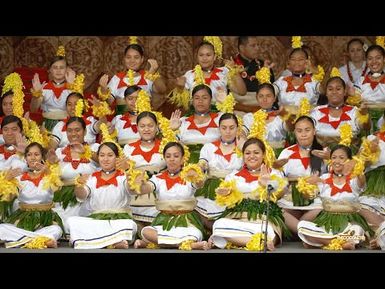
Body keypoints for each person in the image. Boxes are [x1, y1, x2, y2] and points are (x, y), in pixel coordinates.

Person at [209, 138, 289, 251]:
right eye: (247, 153)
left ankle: (236, 240)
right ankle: (259, 241)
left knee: (268, 230)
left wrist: (267, 184)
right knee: (218, 224)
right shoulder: (233, 176)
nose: (252, 156)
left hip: (262, 219)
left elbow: (280, 192)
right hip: (237, 219)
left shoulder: (274, 173)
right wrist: (226, 195)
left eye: (256, 152)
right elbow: (225, 199)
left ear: (263, 154)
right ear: (243, 155)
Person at [133, 142, 210, 250]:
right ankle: (184, 245)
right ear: (164, 158)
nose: (172, 159)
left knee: (194, 234)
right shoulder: (158, 178)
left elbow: (199, 183)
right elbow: (146, 188)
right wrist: (140, 183)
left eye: (176, 156)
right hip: (164, 221)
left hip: (187, 222)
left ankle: (155, 244)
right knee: (146, 232)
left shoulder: (189, 175)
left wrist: (196, 176)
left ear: (183, 158)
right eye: (168, 156)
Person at [298, 145, 371, 250]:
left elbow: (362, 180)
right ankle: (338, 242)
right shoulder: (323, 178)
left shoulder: (355, 178)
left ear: (349, 160)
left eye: (342, 158)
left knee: (357, 229)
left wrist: (356, 165)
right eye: (334, 157)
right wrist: (306, 186)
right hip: (326, 221)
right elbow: (309, 195)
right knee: (302, 226)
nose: (337, 161)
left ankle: (319, 242)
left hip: (349, 221)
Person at [67, 142, 138, 249]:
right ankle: (114, 241)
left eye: (110, 155)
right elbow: (82, 196)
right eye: (102, 155)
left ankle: (88, 240)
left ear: (117, 158)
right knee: (71, 221)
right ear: (98, 158)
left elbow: (132, 189)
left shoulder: (124, 176)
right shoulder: (91, 177)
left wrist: (128, 171)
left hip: (119, 221)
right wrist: (79, 185)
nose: (105, 159)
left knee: (129, 225)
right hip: (96, 221)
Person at [0, 142, 63, 249]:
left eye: (36, 154)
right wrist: (6, 180)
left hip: (45, 220)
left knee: (57, 230)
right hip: (23, 219)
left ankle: (22, 240)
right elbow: (8, 198)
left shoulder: (51, 176)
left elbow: (58, 189)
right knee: (1, 228)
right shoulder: (19, 179)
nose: (32, 158)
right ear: (25, 158)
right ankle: (41, 240)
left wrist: (48, 172)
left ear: (43, 157)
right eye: (29, 155)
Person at [275, 116, 329, 235]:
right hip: (290, 200)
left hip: (315, 200)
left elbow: (335, 175)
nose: (303, 134)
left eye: (307, 130)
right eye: (299, 131)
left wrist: (329, 161)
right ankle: (306, 233)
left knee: (323, 209)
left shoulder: (324, 152)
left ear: (314, 131)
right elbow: (277, 177)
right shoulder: (287, 152)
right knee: (278, 211)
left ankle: (297, 229)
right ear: (294, 132)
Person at [51, 117, 100, 235]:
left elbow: (105, 162)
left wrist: (86, 152)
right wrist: (51, 164)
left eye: (77, 130)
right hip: (64, 198)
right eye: (70, 130)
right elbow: (52, 178)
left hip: (89, 197)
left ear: (85, 131)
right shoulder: (59, 152)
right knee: (62, 224)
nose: (73, 134)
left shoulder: (95, 148)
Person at [194, 113, 243, 227]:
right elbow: (202, 163)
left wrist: (243, 147)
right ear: (219, 129)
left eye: (232, 128)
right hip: (212, 190)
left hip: (235, 190)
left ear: (237, 129)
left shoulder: (243, 148)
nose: (228, 131)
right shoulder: (209, 147)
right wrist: (198, 169)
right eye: (224, 128)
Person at [98, 43, 167, 114]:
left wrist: (154, 73)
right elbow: (109, 102)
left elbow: (162, 90)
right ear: (124, 59)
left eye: (136, 57)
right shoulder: (117, 78)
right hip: (122, 120)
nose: (132, 61)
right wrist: (103, 89)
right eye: (128, 57)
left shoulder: (148, 75)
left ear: (142, 59)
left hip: (144, 120)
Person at [173, 38, 246, 106]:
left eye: (208, 55)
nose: (204, 58)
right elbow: (181, 102)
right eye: (201, 55)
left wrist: (234, 71)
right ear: (197, 57)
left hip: (220, 116)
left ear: (214, 57)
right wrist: (180, 87)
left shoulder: (224, 72)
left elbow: (242, 92)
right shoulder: (190, 75)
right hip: (198, 116)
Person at [122, 111, 166, 224]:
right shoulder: (128, 148)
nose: (146, 129)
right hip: (135, 196)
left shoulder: (165, 146)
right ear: (137, 128)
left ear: (157, 127)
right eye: (142, 126)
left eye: (150, 126)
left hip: (160, 196)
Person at [310, 74, 370, 148]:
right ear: (326, 93)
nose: (334, 92)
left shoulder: (354, 111)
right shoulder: (317, 112)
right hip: (320, 155)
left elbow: (367, 128)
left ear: (345, 92)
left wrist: (364, 115)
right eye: (330, 89)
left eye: (338, 89)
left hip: (349, 156)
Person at [170, 84, 221, 163]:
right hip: (187, 167)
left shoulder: (220, 119)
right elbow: (172, 148)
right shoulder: (182, 122)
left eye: (204, 98)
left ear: (211, 100)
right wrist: (172, 131)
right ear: (192, 101)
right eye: (197, 98)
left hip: (215, 163)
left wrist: (226, 103)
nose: (200, 101)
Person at [30, 47, 76, 131]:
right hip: (47, 126)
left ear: (67, 69)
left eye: (61, 67)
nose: (58, 70)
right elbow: (33, 109)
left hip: (67, 126)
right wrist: (36, 94)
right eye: (55, 67)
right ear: (50, 70)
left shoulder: (73, 87)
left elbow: (80, 110)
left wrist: (73, 88)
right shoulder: (43, 87)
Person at [232, 36, 275, 114]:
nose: (257, 48)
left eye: (258, 45)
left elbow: (272, 90)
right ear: (242, 48)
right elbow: (226, 98)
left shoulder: (263, 65)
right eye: (253, 45)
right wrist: (249, 109)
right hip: (240, 110)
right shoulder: (231, 66)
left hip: (264, 107)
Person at [273, 48, 322, 116]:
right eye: (293, 59)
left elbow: (326, 90)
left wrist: (313, 69)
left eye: (300, 59)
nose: (296, 62)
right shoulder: (281, 81)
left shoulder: (313, 82)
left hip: (308, 121)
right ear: (289, 62)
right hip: (284, 121)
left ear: (307, 62)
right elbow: (268, 93)